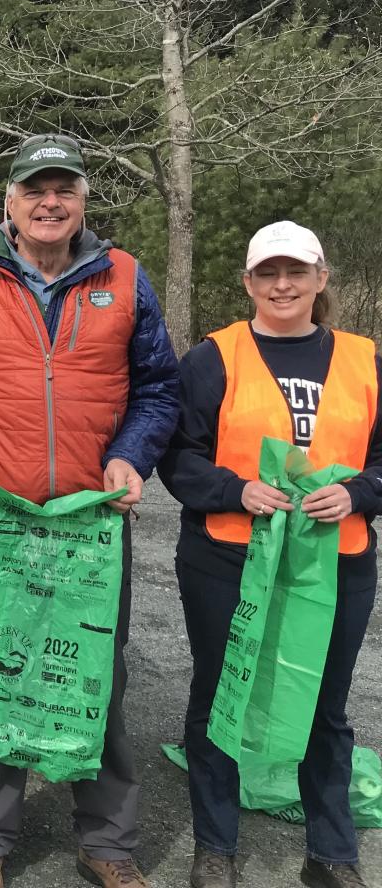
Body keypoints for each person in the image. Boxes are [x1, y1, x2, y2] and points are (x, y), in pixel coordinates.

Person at [0, 134, 179, 888]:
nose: (49, 202)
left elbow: (158, 388)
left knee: (101, 675)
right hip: (0, 516)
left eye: (63, 189)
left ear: (83, 200)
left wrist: (133, 454)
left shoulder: (125, 277)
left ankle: (109, 843)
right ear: (11, 202)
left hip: (92, 520)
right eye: (35, 189)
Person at [158, 221, 382, 888]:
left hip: (335, 561)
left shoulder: (365, 360)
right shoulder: (211, 359)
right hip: (229, 557)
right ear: (248, 283)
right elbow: (176, 456)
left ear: (321, 278)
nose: (281, 285)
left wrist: (361, 494)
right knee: (221, 699)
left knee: (325, 707)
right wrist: (235, 489)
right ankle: (215, 847)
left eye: (295, 272)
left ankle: (332, 854)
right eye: (267, 274)